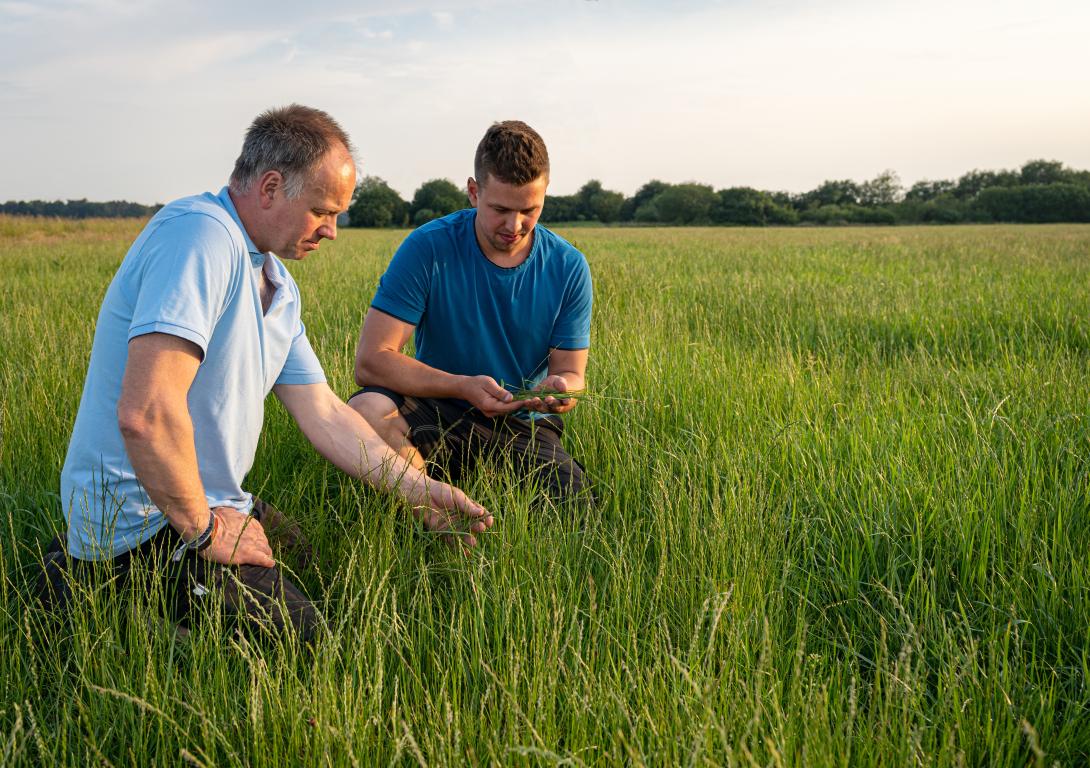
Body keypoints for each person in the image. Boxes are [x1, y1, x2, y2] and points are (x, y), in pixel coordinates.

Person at [37, 104, 492, 642]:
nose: (333, 231)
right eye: (323, 211)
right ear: (272, 187)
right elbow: (146, 413)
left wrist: (418, 488)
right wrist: (205, 531)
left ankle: (88, 580)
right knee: (305, 645)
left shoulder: (275, 284)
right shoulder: (200, 238)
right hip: (142, 516)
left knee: (318, 567)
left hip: (208, 498)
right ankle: (98, 589)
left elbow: (324, 412)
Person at [347, 120, 593, 506]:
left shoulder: (568, 266)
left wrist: (563, 390)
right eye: (500, 209)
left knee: (578, 509)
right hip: (440, 409)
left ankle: (455, 485)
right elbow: (371, 362)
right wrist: (462, 386)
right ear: (474, 192)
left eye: (530, 209)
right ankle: (428, 506)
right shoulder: (428, 247)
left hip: (522, 423)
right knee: (365, 410)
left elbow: (572, 373)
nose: (515, 225)